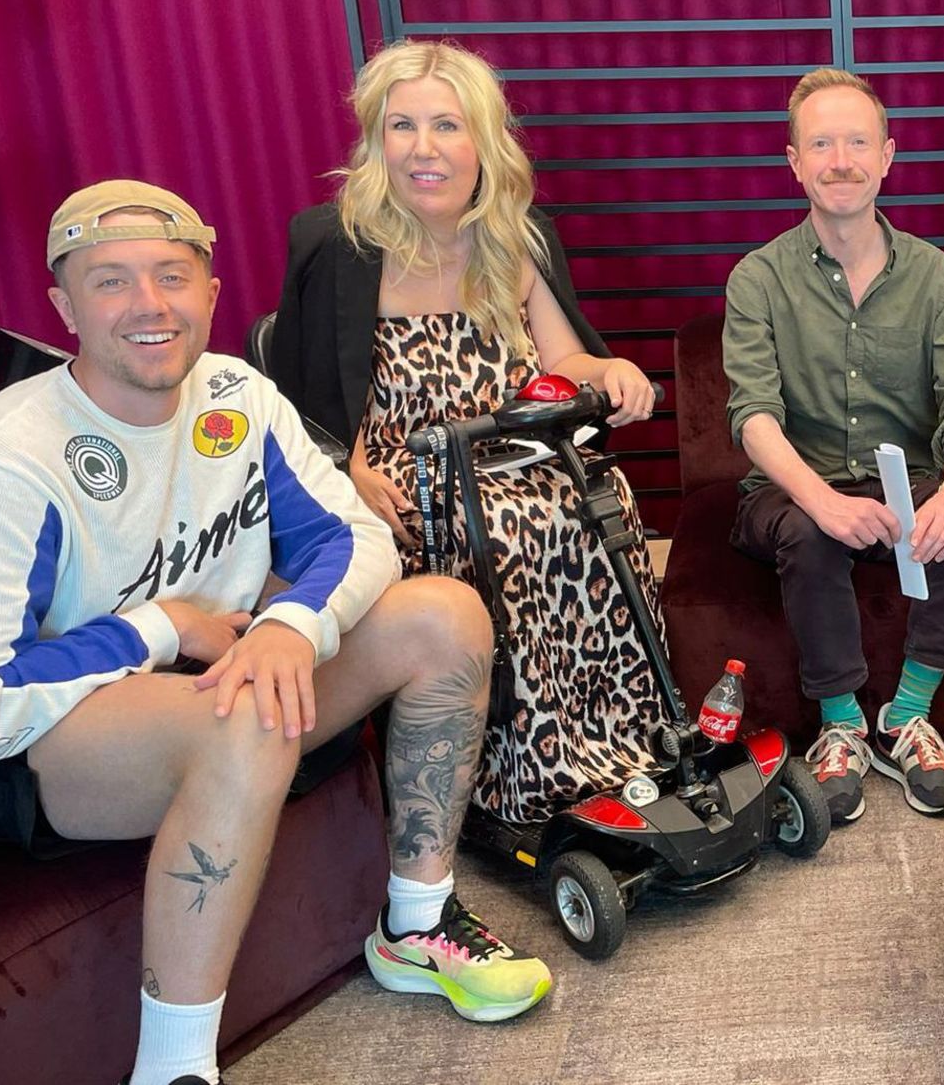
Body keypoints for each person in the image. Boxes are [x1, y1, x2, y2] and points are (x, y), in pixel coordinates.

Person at [0, 182, 553, 1085]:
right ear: (63, 304)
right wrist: (159, 626)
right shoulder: (4, 453)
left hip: (227, 676)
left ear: (211, 290)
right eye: (110, 281)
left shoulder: (237, 392)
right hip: (54, 746)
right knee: (245, 715)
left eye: (172, 275)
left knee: (445, 613)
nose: (149, 305)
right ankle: (173, 1069)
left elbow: (356, 535)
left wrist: (288, 623)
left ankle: (416, 923)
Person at [269, 40, 666, 826]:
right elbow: (299, 395)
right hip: (405, 468)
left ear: (482, 141)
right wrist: (345, 472)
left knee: (600, 498)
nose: (424, 148)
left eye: (447, 126)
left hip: (515, 451)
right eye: (402, 125)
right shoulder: (334, 243)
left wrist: (612, 370)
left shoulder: (518, 236)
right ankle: (514, 775)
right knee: (511, 531)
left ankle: (623, 746)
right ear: (376, 140)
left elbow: (566, 358)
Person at [723, 67, 944, 823]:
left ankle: (905, 716)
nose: (839, 159)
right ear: (794, 161)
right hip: (791, 490)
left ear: (887, 156)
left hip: (902, 479)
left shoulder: (933, 273)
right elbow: (753, 417)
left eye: (856, 142)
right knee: (811, 531)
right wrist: (825, 502)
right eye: (821, 144)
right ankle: (841, 723)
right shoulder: (757, 279)